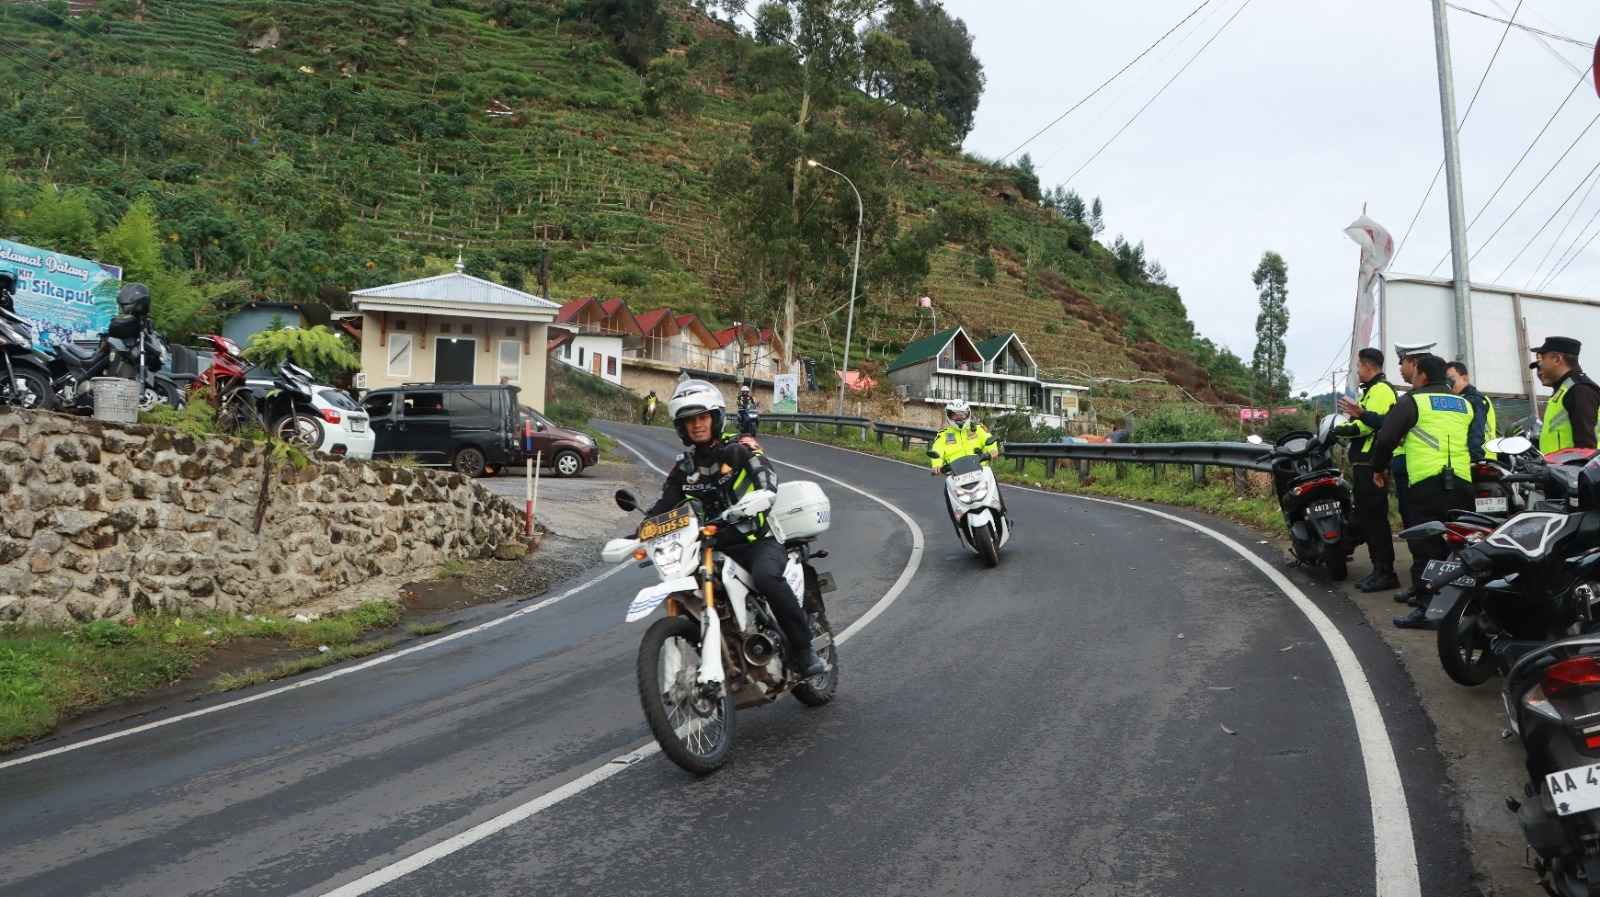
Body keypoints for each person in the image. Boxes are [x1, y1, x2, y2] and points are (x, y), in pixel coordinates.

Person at [643, 379, 825, 678]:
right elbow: (665, 504)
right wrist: (641, 531)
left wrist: (761, 494)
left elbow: (766, 476)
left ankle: (805, 652)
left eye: (702, 417)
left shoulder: (740, 447)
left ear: (714, 418)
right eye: (689, 420)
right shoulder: (684, 467)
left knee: (767, 578)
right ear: (681, 427)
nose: (697, 425)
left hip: (755, 541)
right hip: (710, 547)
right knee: (692, 593)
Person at [1368, 354, 1475, 629]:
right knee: (1459, 548)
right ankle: (1463, 608)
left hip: (1426, 484)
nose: (1411, 378)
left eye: (1414, 373)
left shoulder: (1413, 401)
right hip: (1462, 484)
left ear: (1423, 375)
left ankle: (1426, 610)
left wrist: (1378, 469)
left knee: (1425, 548)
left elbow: (1386, 439)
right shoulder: (1464, 404)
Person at [1333, 348, 1400, 593]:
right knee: (1369, 519)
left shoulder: (1381, 390)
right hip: (1365, 463)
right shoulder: (1372, 390)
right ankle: (1378, 570)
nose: (1358, 372)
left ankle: (1385, 572)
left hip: (1372, 463)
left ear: (1367, 366)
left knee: (1375, 521)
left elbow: (1369, 425)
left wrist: (1339, 430)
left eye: (1359, 367)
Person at [927, 400, 1005, 518]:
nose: (959, 417)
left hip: (980, 470)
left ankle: (1001, 511)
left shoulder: (977, 429)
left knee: (992, 477)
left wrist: (992, 450)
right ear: (949, 416)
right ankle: (958, 520)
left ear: (968, 414)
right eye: (955, 414)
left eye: (962, 414)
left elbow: (988, 440)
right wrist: (936, 464)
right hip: (956, 475)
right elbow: (937, 450)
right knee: (947, 490)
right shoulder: (943, 435)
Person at [1531, 336, 1600, 452]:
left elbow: (1587, 446)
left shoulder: (1580, 389)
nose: (1540, 364)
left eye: (1542, 358)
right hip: (1560, 468)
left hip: (1574, 469)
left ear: (1557, 359)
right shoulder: (1565, 389)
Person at [1446, 361, 1495, 462]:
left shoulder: (1475, 399)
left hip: (1481, 458)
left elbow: (1476, 433)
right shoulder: (1461, 399)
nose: (1449, 384)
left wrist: (1476, 459)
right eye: (1446, 381)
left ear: (1465, 378)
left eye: (1451, 379)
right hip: (1473, 457)